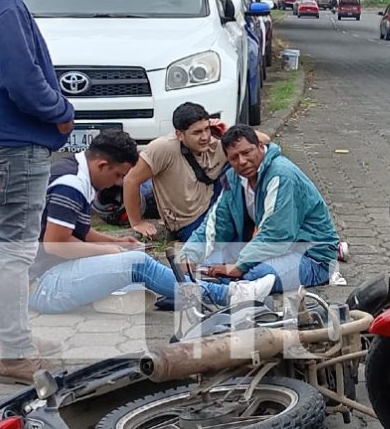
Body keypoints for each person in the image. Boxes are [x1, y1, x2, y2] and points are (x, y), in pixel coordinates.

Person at [26, 131, 269, 340]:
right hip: (44, 285)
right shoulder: (71, 185)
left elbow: (78, 231)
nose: (117, 183)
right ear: (102, 165)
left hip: (56, 274)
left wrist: (117, 242)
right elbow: (56, 243)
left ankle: (202, 292)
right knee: (138, 264)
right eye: (119, 176)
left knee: (145, 276)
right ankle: (230, 295)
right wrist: (111, 251)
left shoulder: (77, 170)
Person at [0, 0, 75, 384]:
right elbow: (19, 77)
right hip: (17, 144)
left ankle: (9, 339)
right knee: (16, 250)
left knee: (0, 245)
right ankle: (16, 354)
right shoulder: (2, 2)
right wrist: (59, 110)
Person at [180, 125, 341, 294]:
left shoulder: (282, 175)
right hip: (275, 251)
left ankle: (218, 290)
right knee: (196, 264)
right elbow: (216, 223)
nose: (242, 161)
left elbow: (278, 235)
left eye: (247, 152)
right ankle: (213, 285)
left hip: (312, 258)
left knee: (255, 275)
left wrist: (240, 265)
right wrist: (189, 254)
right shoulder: (234, 178)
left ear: (260, 147)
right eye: (234, 157)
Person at [122, 103, 269, 241]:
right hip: (190, 221)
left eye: (206, 129)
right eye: (197, 132)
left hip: (216, 205)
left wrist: (228, 130)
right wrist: (137, 223)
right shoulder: (164, 148)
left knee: (245, 162)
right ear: (180, 134)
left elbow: (264, 141)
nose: (204, 137)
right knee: (230, 244)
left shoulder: (216, 142)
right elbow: (131, 180)